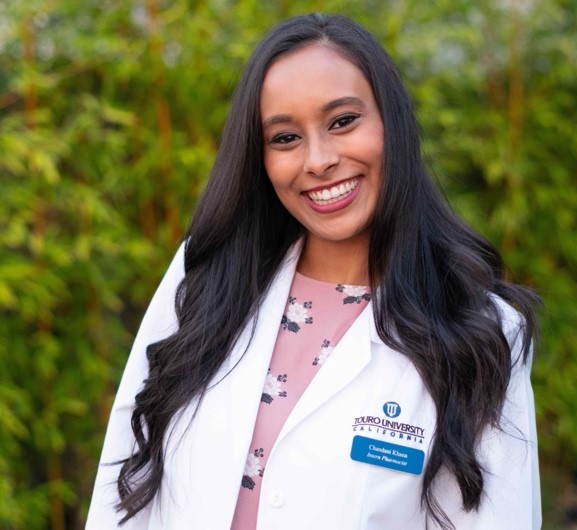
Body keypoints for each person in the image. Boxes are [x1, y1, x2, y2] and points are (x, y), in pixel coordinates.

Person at [87, 13, 541, 530]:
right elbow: (124, 480)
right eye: (284, 138)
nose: (319, 160)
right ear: (259, 158)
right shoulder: (206, 277)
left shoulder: (479, 331)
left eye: (343, 121)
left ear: (392, 121)